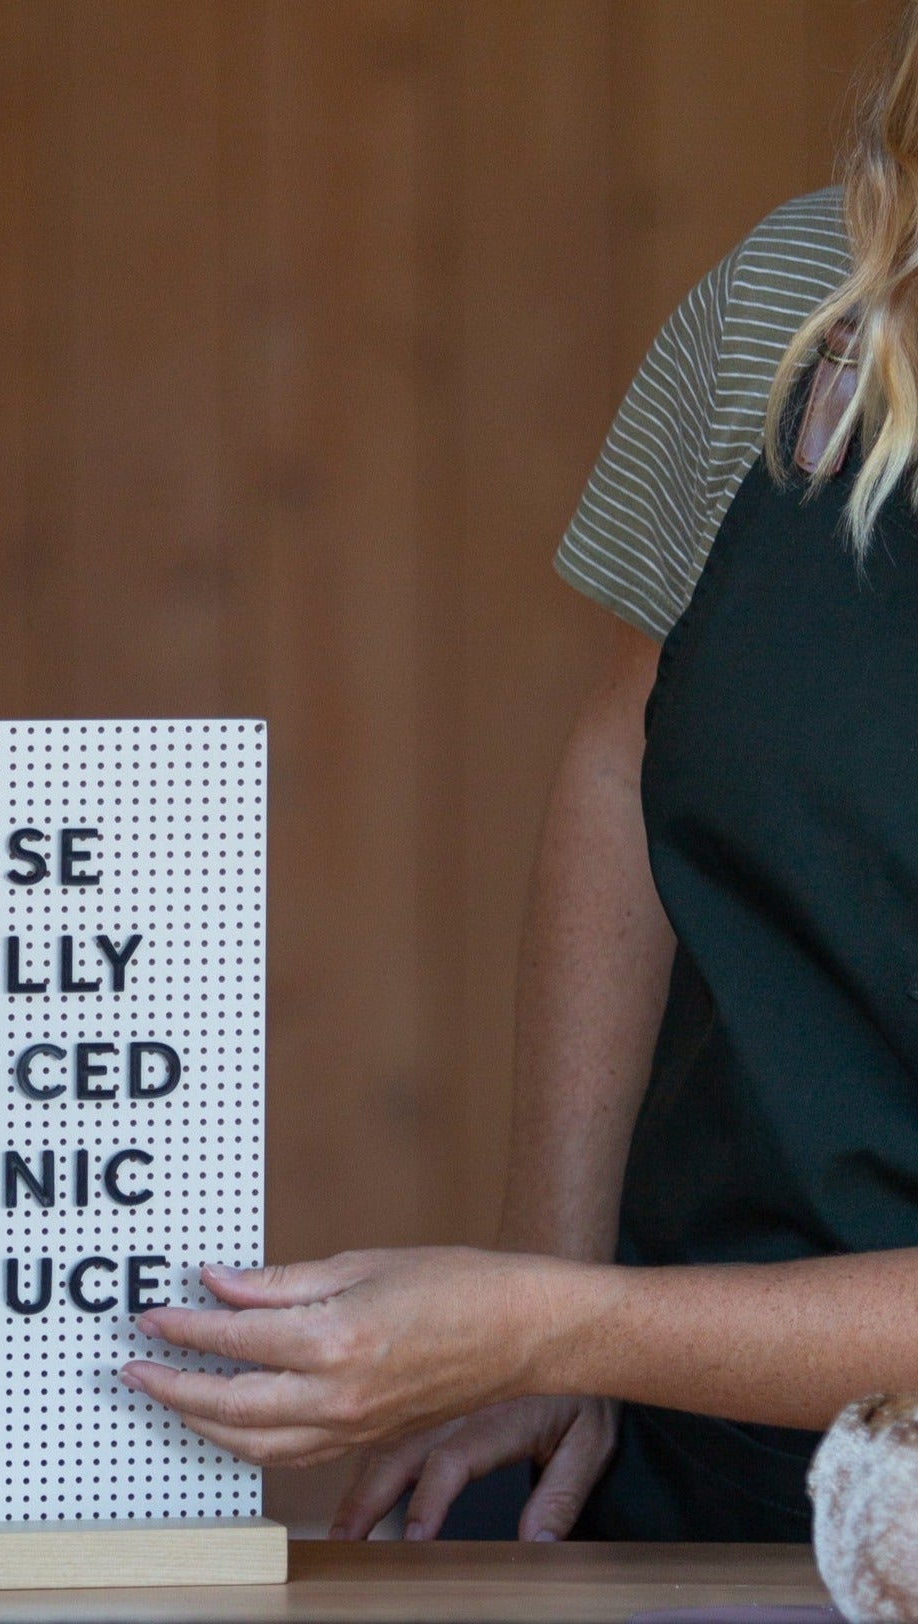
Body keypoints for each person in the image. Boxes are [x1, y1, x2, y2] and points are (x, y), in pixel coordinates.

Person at [119, 8, 918, 1543]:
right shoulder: (794, 297)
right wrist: (546, 1301)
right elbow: (635, 751)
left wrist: (554, 1323)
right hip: (706, 1458)